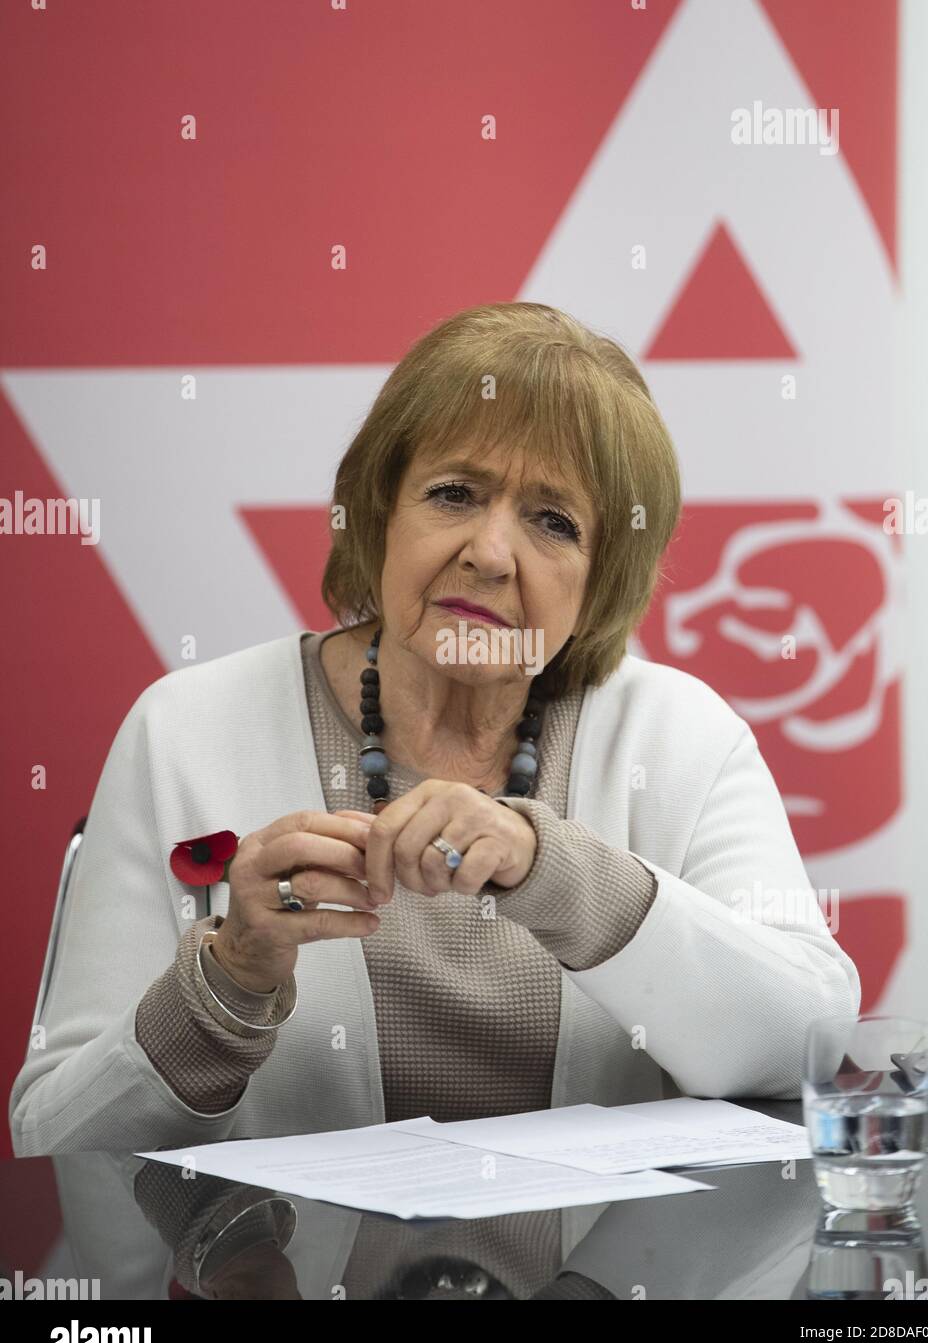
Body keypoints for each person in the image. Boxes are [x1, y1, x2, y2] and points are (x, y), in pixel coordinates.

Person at [10, 301, 860, 1161]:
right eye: (454, 494)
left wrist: (554, 871)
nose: (490, 553)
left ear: (602, 577)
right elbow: (55, 1139)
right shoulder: (184, 731)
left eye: (552, 520)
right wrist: (227, 979)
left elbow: (809, 1042)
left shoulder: (679, 737)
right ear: (380, 512)